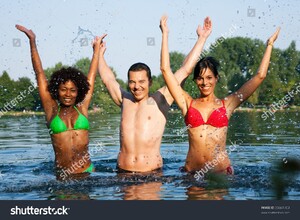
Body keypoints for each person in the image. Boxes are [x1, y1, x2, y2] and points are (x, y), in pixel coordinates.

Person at [160, 17, 280, 176]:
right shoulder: (187, 103)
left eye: (209, 78)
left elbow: (260, 76)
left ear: (216, 78)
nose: (205, 83)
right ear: (196, 80)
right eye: (200, 78)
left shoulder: (228, 104)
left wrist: (270, 44)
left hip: (220, 174)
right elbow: (165, 70)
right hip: (191, 174)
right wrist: (165, 34)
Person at [97, 16, 212, 173]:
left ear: (150, 82)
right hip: (122, 174)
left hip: (151, 176)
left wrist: (202, 38)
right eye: (132, 82)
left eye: (141, 82)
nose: (136, 87)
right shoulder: (125, 100)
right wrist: (99, 54)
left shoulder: (161, 100)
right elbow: (108, 79)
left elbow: (185, 70)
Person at [16, 24, 106, 179]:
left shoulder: (82, 108)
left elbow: (92, 76)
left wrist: (96, 51)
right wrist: (32, 41)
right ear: (57, 90)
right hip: (64, 176)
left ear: (79, 92)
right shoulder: (52, 111)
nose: (68, 94)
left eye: (72, 90)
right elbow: (39, 73)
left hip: (88, 172)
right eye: (63, 89)